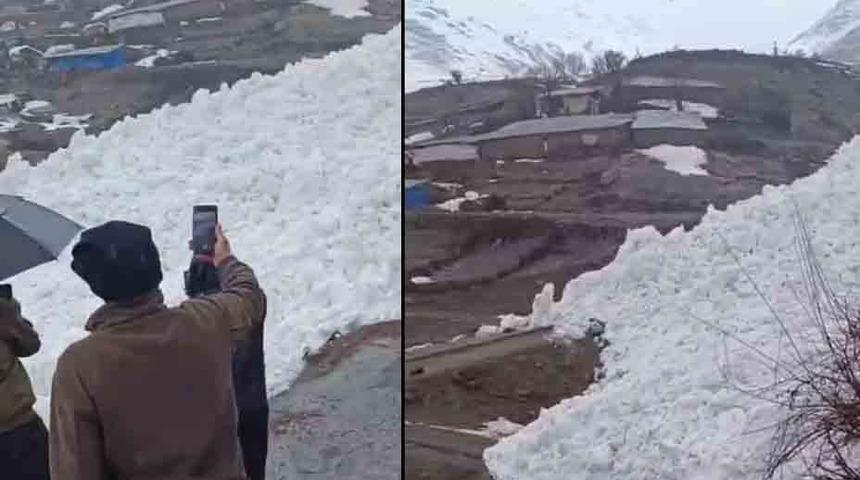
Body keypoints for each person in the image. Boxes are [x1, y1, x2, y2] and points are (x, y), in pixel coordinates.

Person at [50, 220, 266, 479]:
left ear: (95, 284)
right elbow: (248, 297)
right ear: (156, 269)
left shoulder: (79, 366)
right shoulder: (207, 319)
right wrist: (225, 260)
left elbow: (75, 470)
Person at [185, 255, 269, 480]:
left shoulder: (189, 328)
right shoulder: (244, 312)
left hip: (219, 429)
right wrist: (226, 260)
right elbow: (248, 292)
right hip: (252, 414)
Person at [0, 296, 49, 480]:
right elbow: (31, 344)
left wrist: (10, 315)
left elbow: (30, 345)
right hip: (20, 431)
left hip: (22, 430)